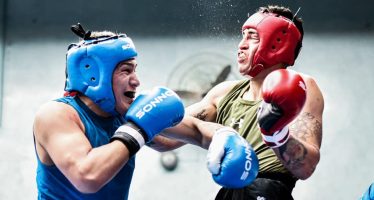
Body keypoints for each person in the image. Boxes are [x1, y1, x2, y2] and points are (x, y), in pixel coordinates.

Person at [151, 5, 324, 200]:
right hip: (228, 193)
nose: (241, 45)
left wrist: (276, 134)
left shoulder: (302, 87)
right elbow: (163, 140)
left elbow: (306, 166)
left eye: (252, 36)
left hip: (269, 191)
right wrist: (137, 113)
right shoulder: (223, 93)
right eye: (243, 36)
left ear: (278, 43)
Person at [32, 23, 189, 199]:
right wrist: (135, 131)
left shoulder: (124, 114)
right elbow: (87, 176)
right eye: (126, 70)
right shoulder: (56, 114)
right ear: (94, 74)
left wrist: (220, 106)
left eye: (135, 70)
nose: (136, 81)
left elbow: (174, 138)